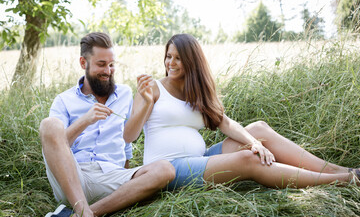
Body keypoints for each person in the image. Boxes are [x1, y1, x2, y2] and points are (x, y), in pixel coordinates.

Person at [124, 33, 360, 191]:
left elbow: (224, 123)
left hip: (202, 158)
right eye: (168, 56)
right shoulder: (152, 88)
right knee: (247, 159)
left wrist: (254, 142)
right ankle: (340, 181)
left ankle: (338, 170)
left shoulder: (195, 91)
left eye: (178, 58)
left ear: (192, 62)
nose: (170, 63)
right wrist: (145, 103)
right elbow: (129, 136)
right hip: (169, 170)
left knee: (258, 130)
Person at [40, 32, 175, 217]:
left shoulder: (125, 93)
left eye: (112, 65)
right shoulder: (64, 100)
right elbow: (56, 145)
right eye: (101, 64)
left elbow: (128, 139)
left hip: (112, 177)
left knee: (165, 169)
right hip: (73, 177)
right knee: (50, 125)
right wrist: (85, 120)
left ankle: (85, 214)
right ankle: (81, 209)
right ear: (83, 63)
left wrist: (148, 102)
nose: (108, 71)